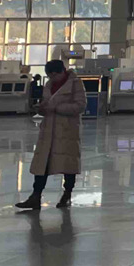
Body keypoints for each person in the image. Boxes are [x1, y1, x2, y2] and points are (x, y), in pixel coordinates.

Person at [16, 59, 84, 210]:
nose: (53, 78)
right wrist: (42, 108)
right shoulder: (48, 85)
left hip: (67, 130)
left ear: (62, 72)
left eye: (55, 75)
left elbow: (80, 106)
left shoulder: (75, 84)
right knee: (42, 164)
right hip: (48, 129)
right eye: (50, 75)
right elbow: (47, 103)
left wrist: (56, 108)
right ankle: (35, 196)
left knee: (68, 164)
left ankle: (67, 194)